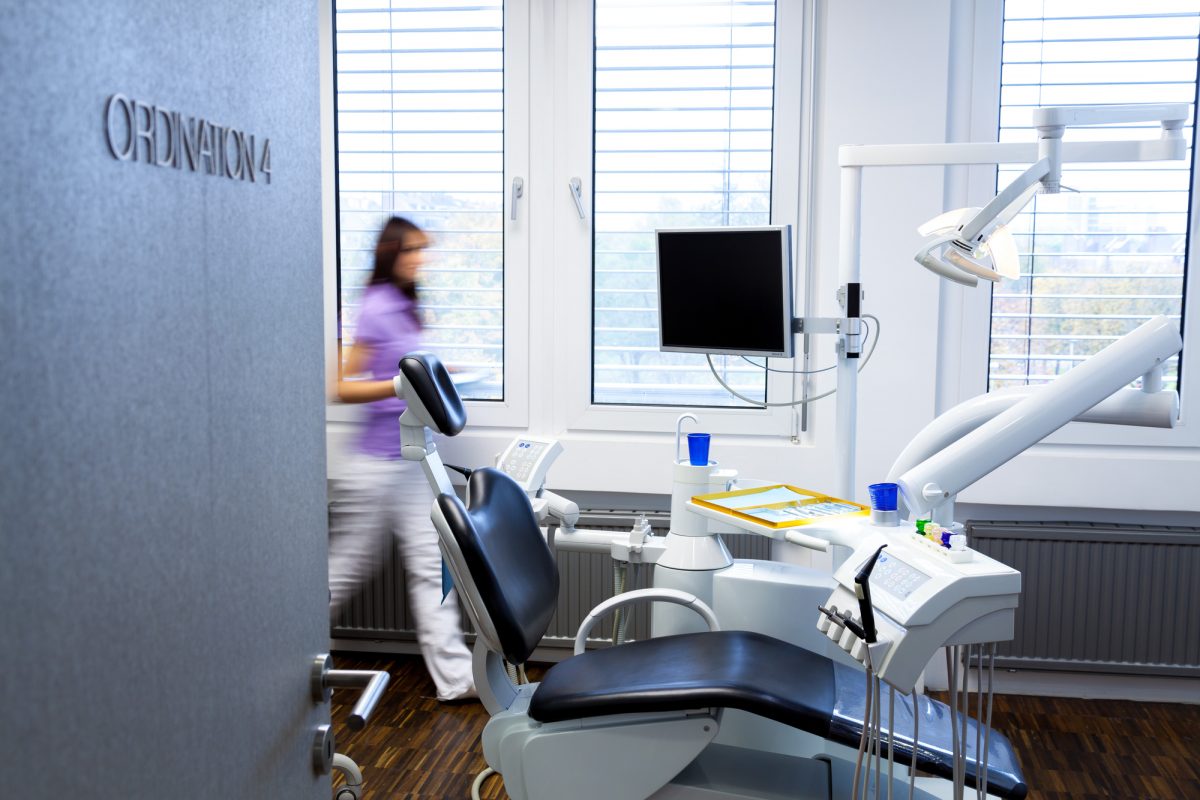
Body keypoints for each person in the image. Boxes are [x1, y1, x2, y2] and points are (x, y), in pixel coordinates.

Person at [329, 216, 475, 702]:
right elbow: (342, 388)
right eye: (412, 250)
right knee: (346, 568)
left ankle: (454, 679)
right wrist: (399, 385)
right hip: (374, 467)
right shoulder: (374, 307)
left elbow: (412, 372)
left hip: (411, 460)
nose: (420, 259)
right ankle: (276, 656)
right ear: (391, 252)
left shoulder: (409, 309)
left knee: (434, 568)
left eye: (423, 250)